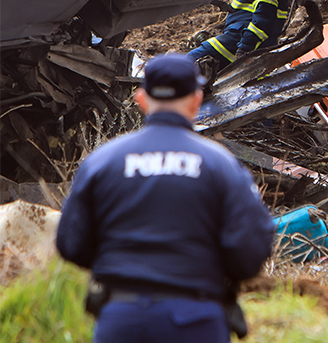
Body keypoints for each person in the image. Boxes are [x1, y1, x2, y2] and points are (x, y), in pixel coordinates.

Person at [56, 54, 275, 342]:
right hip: (196, 319)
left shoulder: (103, 161)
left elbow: (71, 244)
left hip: (122, 320)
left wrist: (118, 262)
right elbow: (251, 250)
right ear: (196, 100)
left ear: (141, 99)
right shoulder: (220, 164)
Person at [188, 0, 290, 73]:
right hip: (248, 43)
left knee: (190, 60)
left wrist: (244, 49)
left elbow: (263, 23)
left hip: (238, 41)